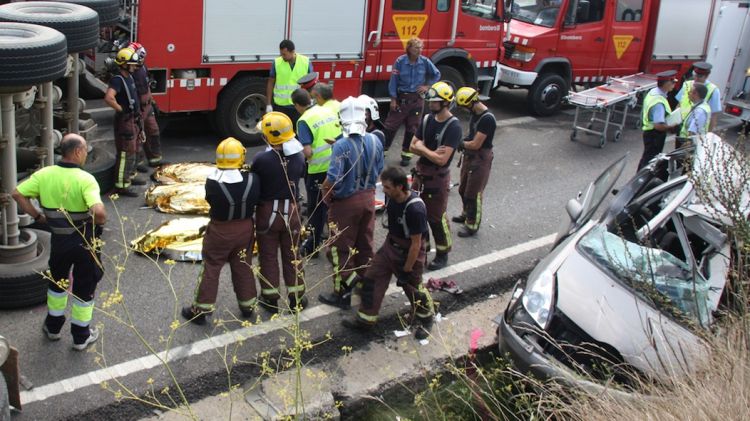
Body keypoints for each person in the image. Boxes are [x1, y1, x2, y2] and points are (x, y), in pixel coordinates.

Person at [12, 134, 106, 351]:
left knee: (58, 283)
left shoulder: (44, 174)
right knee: (85, 285)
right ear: (77, 152)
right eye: (84, 150)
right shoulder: (85, 179)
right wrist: (98, 224)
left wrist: (38, 217)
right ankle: (81, 337)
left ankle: (53, 328)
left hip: (60, 240)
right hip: (85, 241)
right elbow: (98, 212)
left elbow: (17, 194)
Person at [341, 166, 435, 340]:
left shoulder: (415, 209)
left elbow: (416, 244)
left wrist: (406, 271)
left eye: (387, 187)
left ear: (400, 187)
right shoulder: (392, 198)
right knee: (372, 279)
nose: (383, 190)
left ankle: (426, 319)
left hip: (409, 254)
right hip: (390, 247)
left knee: (414, 289)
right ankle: (365, 320)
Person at [182, 137, 261, 324]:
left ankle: (201, 311)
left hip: (220, 230)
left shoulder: (213, 183)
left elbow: (211, 200)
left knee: (211, 267)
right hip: (245, 229)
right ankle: (248, 306)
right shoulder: (253, 179)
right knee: (243, 266)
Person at [318, 96, 384, 309]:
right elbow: (379, 168)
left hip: (346, 203)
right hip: (369, 198)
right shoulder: (375, 139)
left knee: (338, 249)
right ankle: (367, 282)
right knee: (364, 244)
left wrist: (325, 195)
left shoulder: (341, 145)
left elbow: (332, 178)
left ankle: (343, 291)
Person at [252, 112, 308, 312]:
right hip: (292, 212)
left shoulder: (261, 159)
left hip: (268, 213)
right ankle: (297, 299)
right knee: (293, 255)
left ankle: (270, 299)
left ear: (268, 137)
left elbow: (255, 181)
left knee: (268, 256)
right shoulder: (299, 156)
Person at [409, 81, 462, 270]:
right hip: (421, 175)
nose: (430, 105)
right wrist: (427, 150)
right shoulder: (427, 120)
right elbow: (412, 146)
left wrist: (422, 147)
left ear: (446, 103)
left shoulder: (454, 127)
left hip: (437, 178)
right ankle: (422, 250)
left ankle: (442, 254)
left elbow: (442, 160)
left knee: (436, 218)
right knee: (417, 215)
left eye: (435, 102)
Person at [292, 88, 342, 258]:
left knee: (316, 207)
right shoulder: (325, 109)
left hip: (318, 170)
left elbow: (308, 152)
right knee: (333, 203)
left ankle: (313, 244)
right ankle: (334, 238)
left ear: (297, 105)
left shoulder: (303, 120)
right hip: (337, 163)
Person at [383, 37, 441, 166]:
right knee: (390, 127)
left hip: (416, 100)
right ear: (409, 48)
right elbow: (393, 81)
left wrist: (427, 86)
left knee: (412, 128)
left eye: (421, 47)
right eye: (416, 47)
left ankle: (406, 155)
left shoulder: (425, 62)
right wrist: (393, 99)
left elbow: (437, 74)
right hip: (401, 99)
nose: (419, 50)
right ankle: (382, 152)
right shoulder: (400, 62)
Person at [453, 87, 496, 238]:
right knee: (463, 189)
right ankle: (465, 214)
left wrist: (460, 143)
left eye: (465, 106)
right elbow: (471, 136)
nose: (465, 109)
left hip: (480, 159)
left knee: (473, 193)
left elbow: (476, 144)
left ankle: (472, 224)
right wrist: (464, 141)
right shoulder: (475, 114)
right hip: (470, 156)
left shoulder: (487, 119)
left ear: (471, 103)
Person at [104, 46, 142, 197]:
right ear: (125, 64)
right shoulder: (117, 80)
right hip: (125, 121)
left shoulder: (129, 77)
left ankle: (129, 178)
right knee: (126, 153)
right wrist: (121, 109)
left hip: (132, 119)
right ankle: (121, 186)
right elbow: (108, 97)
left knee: (132, 151)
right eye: (132, 64)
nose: (135, 66)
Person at [128, 42, 163, 169]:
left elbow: (146, 85)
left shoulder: (142, 67)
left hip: (148, 107)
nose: (141, 61)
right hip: (139, 109)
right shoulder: (130, 72)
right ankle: (138, 164)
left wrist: (152, 101)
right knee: (138, 137)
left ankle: (155, 159)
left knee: (153, 131)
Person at [265, 39, 313, 126]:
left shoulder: (306, 62)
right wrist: (268, 104)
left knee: (298, 133)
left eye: (284, 54)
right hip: (281, 106)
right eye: (281, 54)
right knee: (280, 133)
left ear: (293, 52)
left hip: (299, 106)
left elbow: (312, 83)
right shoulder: (277, 62)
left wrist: (311, 100)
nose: (282, 56)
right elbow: (270, 82)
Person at [638, 70, 678, 170]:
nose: (674, 84)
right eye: (673, 82)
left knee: (646, 158)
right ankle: (641, 182)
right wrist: (671, 126)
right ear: (667, 83)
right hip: (654, 134)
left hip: (648, 131)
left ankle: (639, 178)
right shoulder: (659, 103)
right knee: (650, 161)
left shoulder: (653, 92)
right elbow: (658, 126)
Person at [676, 62, 721, 131]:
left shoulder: (713, 90)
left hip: (698, 130)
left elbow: (714, 115)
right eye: (695, 75)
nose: (696, 78)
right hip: (682, 126)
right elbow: (679, 105)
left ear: (706, 76)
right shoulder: (687, 85)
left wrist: (709, 133)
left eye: (699, 76)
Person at [677, 82, 711, 148]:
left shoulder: (700, 111)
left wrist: (684, 149)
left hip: (689, 145)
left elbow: (692, 133)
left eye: (690, 92)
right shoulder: (701, 105)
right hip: (690, 142)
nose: (688, 93)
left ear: (695, 94)